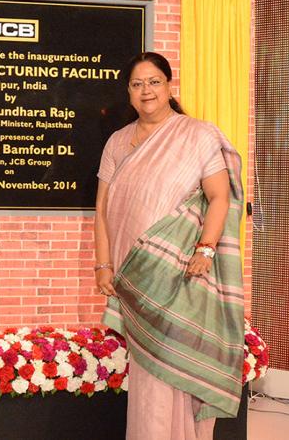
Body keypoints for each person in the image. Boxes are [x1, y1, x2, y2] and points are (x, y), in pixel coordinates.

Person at [94, 52, 245, 440]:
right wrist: (103, 265)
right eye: (137, 84)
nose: (147, 91)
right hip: (134, 269)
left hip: (178, 267)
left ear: (169, 86)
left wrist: (205, 250)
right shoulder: (117, 141)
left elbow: (220, 197)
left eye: (154, 82)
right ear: (128, 92)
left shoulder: (196, 134)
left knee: (175, 359)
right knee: (146, 369)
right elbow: (103, 208)